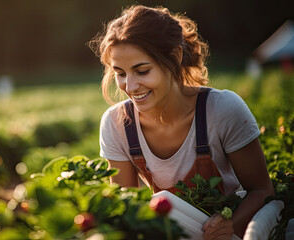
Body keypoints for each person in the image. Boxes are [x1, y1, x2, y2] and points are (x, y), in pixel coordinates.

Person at [88, 5, 274, 239]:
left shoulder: (222, 109)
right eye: (121, 73)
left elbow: (261, 189)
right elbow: (127, 207)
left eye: (142, 71)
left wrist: (231, 225)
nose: (130, 86)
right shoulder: (116, 124)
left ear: (175, 56)